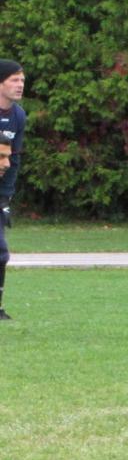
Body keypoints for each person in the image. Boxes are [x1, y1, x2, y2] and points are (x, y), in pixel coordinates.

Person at [0, 60, 27, 322]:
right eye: (14, 80)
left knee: (1, 252)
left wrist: (6, 194)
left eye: (22, 81)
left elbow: (13, 159)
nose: (20, 85)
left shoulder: (18, 116)